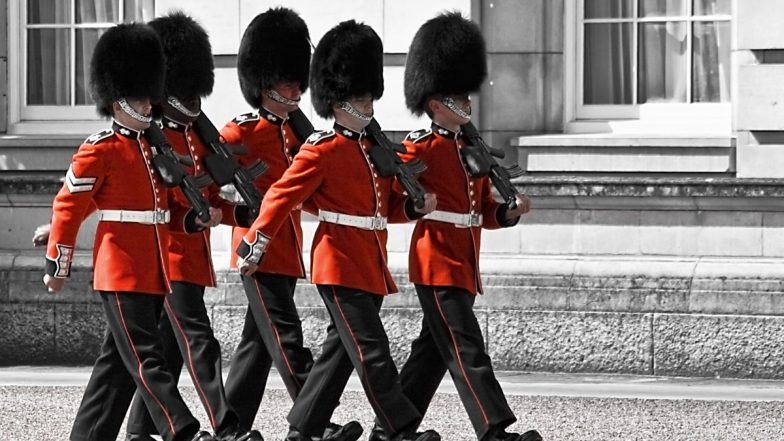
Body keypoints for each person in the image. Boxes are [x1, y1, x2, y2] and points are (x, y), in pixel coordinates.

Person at [235, 20, 440, 441]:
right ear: (341, 100)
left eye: (369, 95)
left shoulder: (371, 150)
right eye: (361, 96)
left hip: (370, 261)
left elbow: (382, 209)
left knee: (339, 355)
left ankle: (303, 427)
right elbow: (280, 195)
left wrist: (414, 207)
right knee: (372, 351)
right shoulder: (321, 149)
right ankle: (399, 429)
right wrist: (256, 240)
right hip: (338, 262)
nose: (368, 104)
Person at [367, 12, 541, 441]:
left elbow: (481, 209)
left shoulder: (472, 150)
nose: (467, 104)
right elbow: (391, 201)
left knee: (431, 351)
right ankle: (494, 428)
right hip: (436, 262)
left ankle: (389, 430)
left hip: (463, 261)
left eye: (467, 97)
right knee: (467, 348)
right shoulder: (418, 147)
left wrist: (508, 212)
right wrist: (413, 203)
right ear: (435, 104)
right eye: (458, 99)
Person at [43, 22, 216, 441]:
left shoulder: (155, 148)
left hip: (154, 269)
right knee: (146, 357)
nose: (147, 101)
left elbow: (167, 209)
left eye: (148, 92)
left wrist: (193, 220)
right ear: (117, 97)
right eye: (139, 94)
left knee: (117, 364)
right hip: (120, 269)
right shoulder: (98, 149)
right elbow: (68, 206)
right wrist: (58, 264)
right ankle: (181, 428)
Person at [123, 12, 257, 441]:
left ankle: (140, 432)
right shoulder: (153, 137)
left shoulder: (196, 135)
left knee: (165, 350)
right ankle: (227, 426)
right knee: (200, 342)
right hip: (167, 255)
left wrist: (237, 214)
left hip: (190, 256)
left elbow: (212, 194)